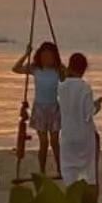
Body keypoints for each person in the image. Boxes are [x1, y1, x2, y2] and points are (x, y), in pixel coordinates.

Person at [14, 41, 64, 178]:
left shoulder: (58, 69)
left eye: (50, 56)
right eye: (44, 56)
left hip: (54, 108)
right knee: (44, 143)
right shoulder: (35, 68)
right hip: (40, 108)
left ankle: (60, 170)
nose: (47, 59)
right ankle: (42, 171)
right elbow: (16, 68)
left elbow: (69, 79)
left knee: (55, 142)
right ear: (39, 56)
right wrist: (26, 54)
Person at [58, 53, 99, 184]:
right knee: (89, 172)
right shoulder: (85, 88)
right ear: (83, 69)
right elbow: (88, 113)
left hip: (67, 134)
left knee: (68, 170)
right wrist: (97, 106)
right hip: (84, 135)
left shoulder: (61, 87)